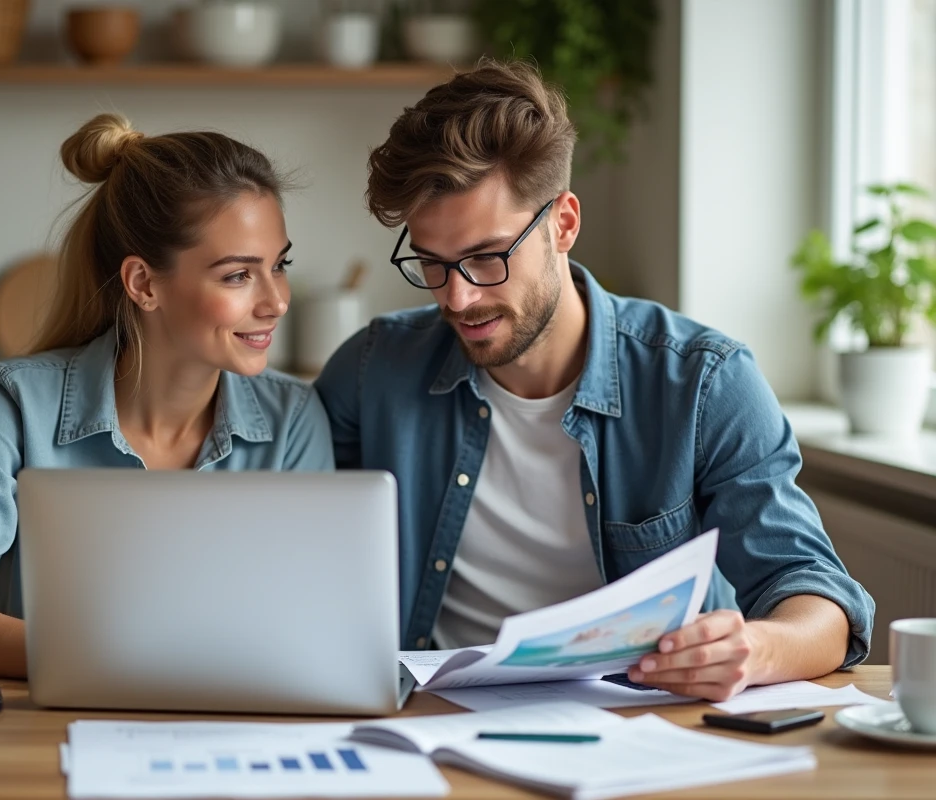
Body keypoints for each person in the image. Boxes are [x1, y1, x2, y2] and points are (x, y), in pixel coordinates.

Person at [314, 60, 874, 701]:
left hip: (642, 726)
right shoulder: (371, 371)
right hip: (429, 721)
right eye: (432, 263)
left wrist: (757, 648)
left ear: (564, 224)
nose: (459, 297)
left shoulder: (702, 382)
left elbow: (819, 600)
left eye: (486, 258)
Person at [0, 114, 333, 678]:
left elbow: (312, 623)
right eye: (238, 276)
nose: (276, 301)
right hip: (39, 745)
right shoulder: (15, 404)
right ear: (144, 283)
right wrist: (114, 659)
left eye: (279, 266)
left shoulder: (293, 420)